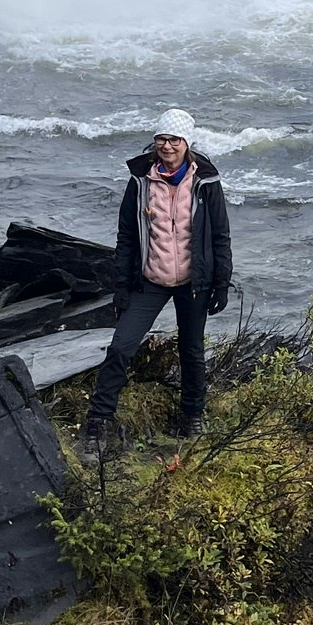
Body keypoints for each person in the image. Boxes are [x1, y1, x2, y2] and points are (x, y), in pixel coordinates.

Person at [80, 109, 233, 458]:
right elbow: (126, 237)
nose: (167, 146)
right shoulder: (140, 180)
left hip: (194, 282)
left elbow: (221, 235)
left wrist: (221, 282)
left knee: (192, 351)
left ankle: (192, 416)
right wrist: (121, 286)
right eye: (162, 139)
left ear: (186, 144)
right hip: (150, 280)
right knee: (121, 347)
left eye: (174, 140)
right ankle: (97, 423)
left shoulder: (206, 182)